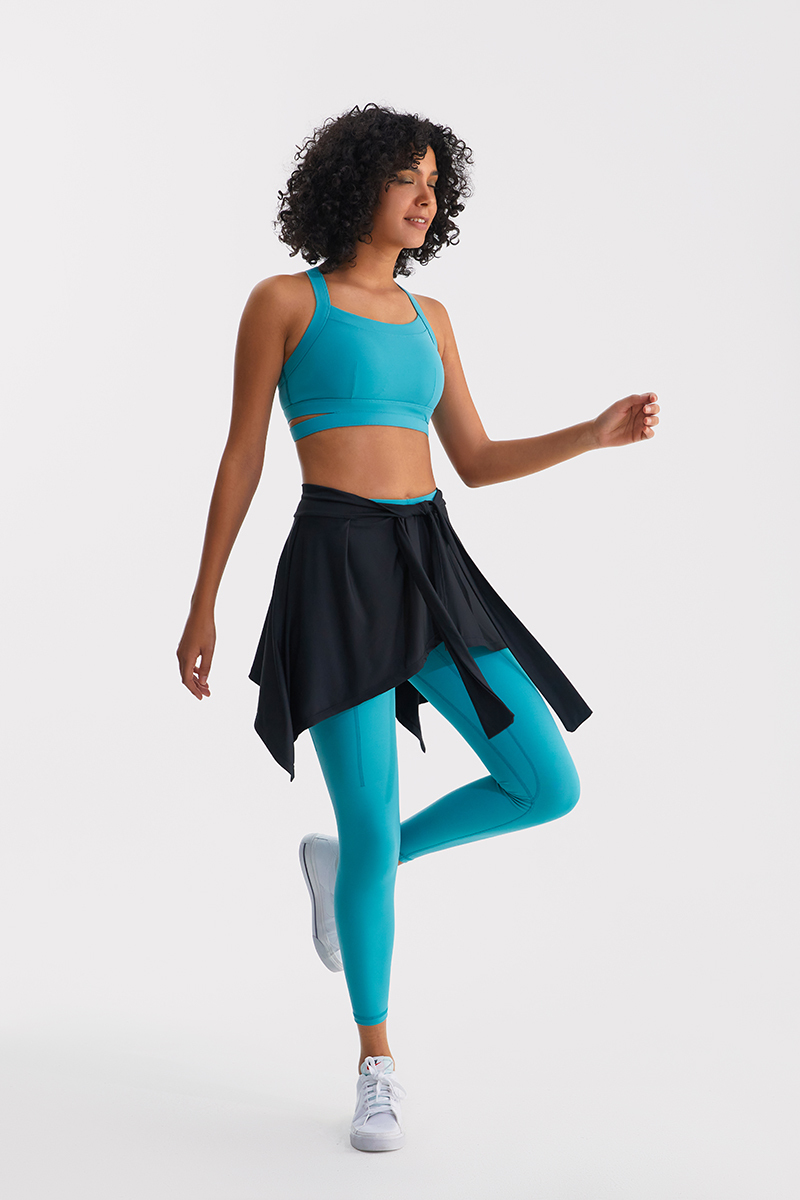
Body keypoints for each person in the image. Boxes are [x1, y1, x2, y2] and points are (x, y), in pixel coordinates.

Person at [176, 103, 660, 1153]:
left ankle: (355, 861)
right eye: (408, 177)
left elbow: (474, 461)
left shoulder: (431, 316)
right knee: (369, 814)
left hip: (432, 562)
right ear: (355, 184)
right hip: (336, 569)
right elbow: (242, 456)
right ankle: (375, 1062)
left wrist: (590, 434)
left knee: (545, 782)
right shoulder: (284, 302)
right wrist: (204, 599)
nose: (426, 197)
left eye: (437, 182)